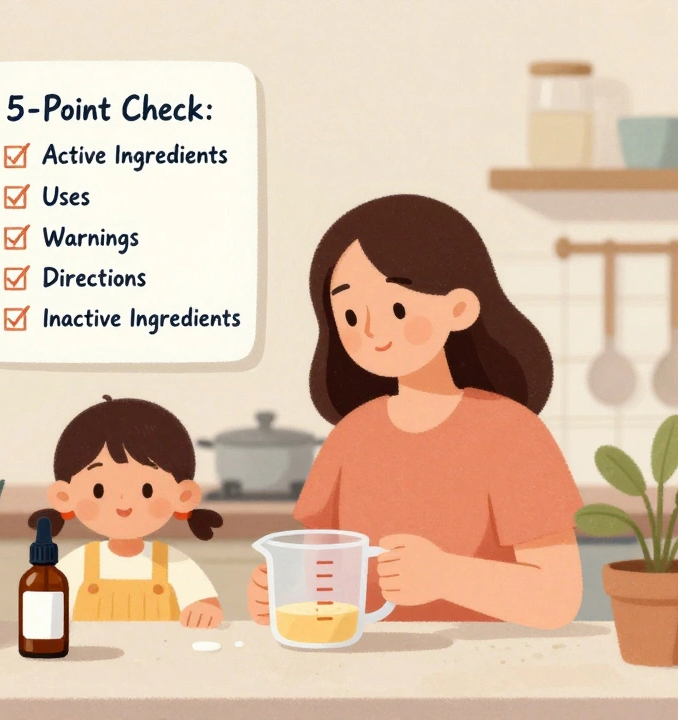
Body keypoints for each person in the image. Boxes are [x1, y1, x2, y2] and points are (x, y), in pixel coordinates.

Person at [247, 194, 583, 628]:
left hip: (486, 662)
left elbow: (558, 598)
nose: (372, 330)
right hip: (367, 657)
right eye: (350, 316)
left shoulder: (512, 432)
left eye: (397, 307)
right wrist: (280, 593)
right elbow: (321, 579)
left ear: (459, 308)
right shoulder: (351, 436)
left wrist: (446, 575)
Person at [30, 396, 225, 627]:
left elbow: (207, 604)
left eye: (146, 490)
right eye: (99, 490)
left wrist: (203, 611)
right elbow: (47, 611)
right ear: (64, 496)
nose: (123, 501)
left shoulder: (174, 564)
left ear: (184, 496)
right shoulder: (77, 565)